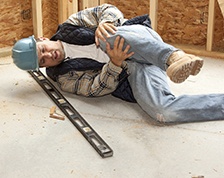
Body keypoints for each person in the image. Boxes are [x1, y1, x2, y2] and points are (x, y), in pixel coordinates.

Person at [12, 4, 224, 123]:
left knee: (105, 36)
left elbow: (107, 9)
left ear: (41, 39)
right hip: (133, 69)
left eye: (43, 50)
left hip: (142, 41)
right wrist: (114, 63)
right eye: (42, 61)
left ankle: (173, 57)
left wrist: (106, 23)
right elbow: (95, 89)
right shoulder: (63, 76)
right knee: (162, 112)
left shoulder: (71, 24)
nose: (48, 56)